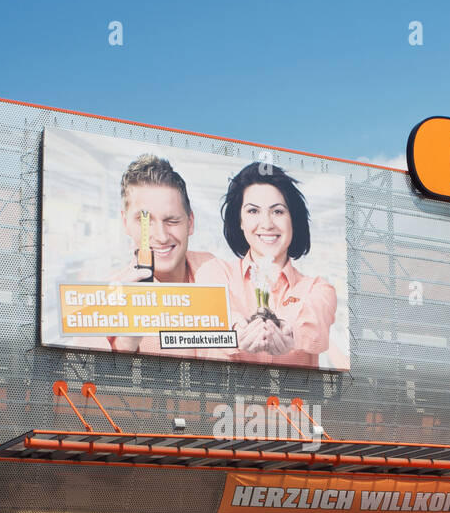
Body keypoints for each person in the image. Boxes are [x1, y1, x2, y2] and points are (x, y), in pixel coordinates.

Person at [196, 163, 336, 368]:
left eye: (278, 212)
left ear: (293, 221)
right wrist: (237, 332)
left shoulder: (318, 289)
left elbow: (314, 324)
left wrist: (289, 333)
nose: (267, 224)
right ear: (240, 221)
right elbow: (213, 314)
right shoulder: (214, 272)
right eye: (253, 211)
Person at [105, 154, 216, 356]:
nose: (162, 236)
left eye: (172, 220)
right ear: (125, 223)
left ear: (190, 223)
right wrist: (126, 343)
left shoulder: (216, 271)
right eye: (144, 220)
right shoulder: (104, 301)